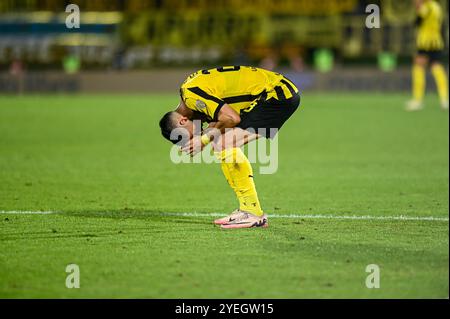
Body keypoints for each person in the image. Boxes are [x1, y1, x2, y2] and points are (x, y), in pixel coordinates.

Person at [159, 66, 301, 229]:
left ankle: (253, 213)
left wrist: (203, 140)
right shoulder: (190, 97)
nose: (195, 138)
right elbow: (219, 120)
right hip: (272, 92)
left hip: (277, 94)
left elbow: (232, 118)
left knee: (223, 142)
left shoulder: (192, 97)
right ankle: (247, 209)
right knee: (219, 141)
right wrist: (205, 138)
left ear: (183, 121)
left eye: (190, 137)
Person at [406, 0, 448, 111]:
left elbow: (417, 22)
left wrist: (418, 7)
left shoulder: (426, 7)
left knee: (418, 67)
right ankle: (444, 99)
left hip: (426, 43)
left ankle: (417, 100)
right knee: (437, 68)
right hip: (436, 42)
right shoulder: (436, 6)